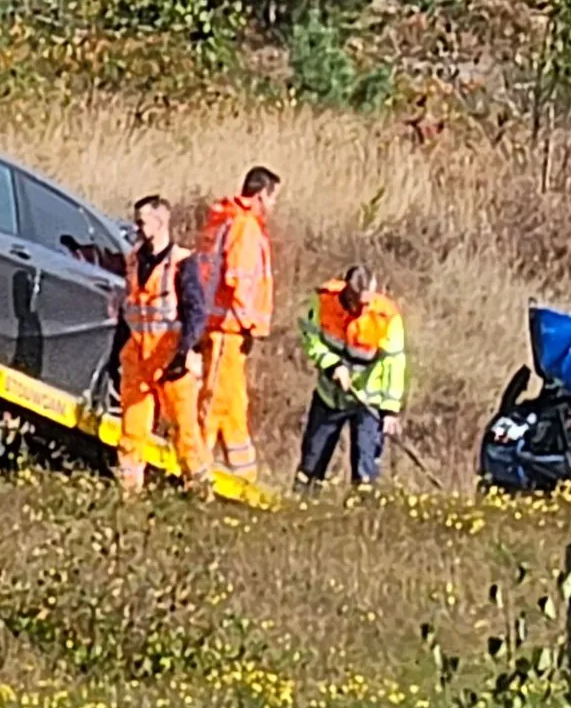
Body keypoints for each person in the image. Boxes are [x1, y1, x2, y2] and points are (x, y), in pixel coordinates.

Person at [111, 194, 216, 494]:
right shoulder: (133, 260)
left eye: (142, 222)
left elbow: (196, 312)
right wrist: (114, 355)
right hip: (137, 359)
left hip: (172, 360)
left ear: (160, 223)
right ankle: (127, 495)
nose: (137, 228)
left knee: (185, 432)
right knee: (131, 431)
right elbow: (128, 309)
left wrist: (183, 353)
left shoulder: (183, 263)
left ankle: (199, 490)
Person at [195, 167, 280, 481]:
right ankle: (196, 472)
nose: (273, 207)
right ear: (261, 195)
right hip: (227, 329)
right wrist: (248, 324)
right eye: (273, 198)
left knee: (234, 404)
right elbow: (238, 279)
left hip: (228, 329)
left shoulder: (233, 220)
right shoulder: (244, 226)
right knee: (214, 402)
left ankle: (243, 477)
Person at [298, 264, 408, 486]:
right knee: (310, 466)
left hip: (368, 402)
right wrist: (332, 365)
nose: (364, 307)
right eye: (360, 301)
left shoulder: (387, 317)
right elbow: (310, 338)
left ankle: (362, 515)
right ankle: (304, 504)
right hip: (330, 397)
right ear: (348, 292)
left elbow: (394, 363)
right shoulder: (323, 302)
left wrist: (390, 409)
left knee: (365, 472)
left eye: (369, 301)